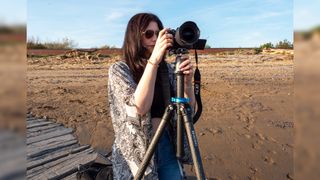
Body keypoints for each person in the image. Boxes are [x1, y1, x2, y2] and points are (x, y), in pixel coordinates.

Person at [108, 12, 195, 180]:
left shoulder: (168, 70)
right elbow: (139, 108)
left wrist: (187, 85)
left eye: (158, 33)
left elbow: (188, 109)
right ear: (134, 37)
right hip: (136, 149)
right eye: (148, 34)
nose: (154, 39)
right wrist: (154, 60)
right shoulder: (120, 70)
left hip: (167, 144)